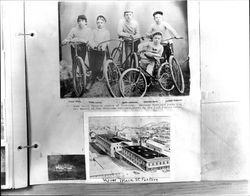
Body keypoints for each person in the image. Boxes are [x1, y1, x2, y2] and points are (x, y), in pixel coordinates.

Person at [87, 15, 110, 90]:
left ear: (104, 23)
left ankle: (92, 80)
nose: (99, 24)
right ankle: (93, 73)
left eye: (101, 22)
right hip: (93, 50)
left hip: (101, 51)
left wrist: (101, 47)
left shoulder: (106, 32)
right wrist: (94, 46)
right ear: (96, 23)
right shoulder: (93, 31)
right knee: (92, 64)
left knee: (97, 66)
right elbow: (90, 40)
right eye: (98, 22)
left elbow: (107, 42)